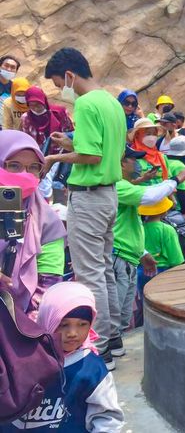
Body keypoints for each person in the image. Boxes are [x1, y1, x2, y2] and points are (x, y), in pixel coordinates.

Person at [42, 47, 127, 366]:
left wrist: (54, 157)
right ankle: (114, 337)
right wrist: (72, 143)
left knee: (89, 273)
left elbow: (91, 156)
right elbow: (107, 152)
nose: (59, 90)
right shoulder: (111, 102)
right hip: (108, 194)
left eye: (57, 82)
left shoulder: (86, 102)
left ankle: (100, 348)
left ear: (69, 75)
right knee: (103, 267)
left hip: (90, 196)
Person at [4, 282, 125, 432]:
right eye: (63, 324)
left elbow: (107, 419)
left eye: (82, 324)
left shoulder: (92, 369)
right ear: (48, 318)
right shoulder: (20, 356)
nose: (73, 333)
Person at [112, 146, 185, 342]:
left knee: (126, 312)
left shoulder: (123, 185)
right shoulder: (117, 185)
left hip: (132, 259)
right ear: (122, 162)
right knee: (117, 313)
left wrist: (143, 252)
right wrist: (177, 178)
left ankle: (115, 346)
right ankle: (110, 350)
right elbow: (150, 196)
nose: (138, 163)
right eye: (133, 160)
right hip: (121, 256)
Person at [0, 131, 67, 318]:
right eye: (14, 165)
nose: (24, 174)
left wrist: (29, 320)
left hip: (19, 322)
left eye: (33, 167)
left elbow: (49, 283)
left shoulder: (46, 221)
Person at [20, 86, 74, 154]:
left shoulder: (59, 113)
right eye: (32, 105)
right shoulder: (26, 119)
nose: (36, 108)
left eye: (38, 104)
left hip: (61, 154)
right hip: (38, 155)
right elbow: (27, 140)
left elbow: (69, 133)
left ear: (43, 101)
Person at [140, 198, 185, 272]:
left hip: (142, 270)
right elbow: (176, 258)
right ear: (164, 211)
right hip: (162, 271)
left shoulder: (140, 228)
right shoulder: (168, 229)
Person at [165, 135, 185, 217]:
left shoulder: (166, 161)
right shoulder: (179, 166)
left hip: (167, 206)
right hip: (178, 209)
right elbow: (181, 191)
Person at [128, 117, 168, 185]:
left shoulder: (161, 156)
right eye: (148, 134)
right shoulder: (130, 157)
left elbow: (167, 180)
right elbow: (125, 184)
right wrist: (142, 179)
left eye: (154, 134)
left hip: (162, 195)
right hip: (140, 195)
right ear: (137, 135)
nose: (152, 137)